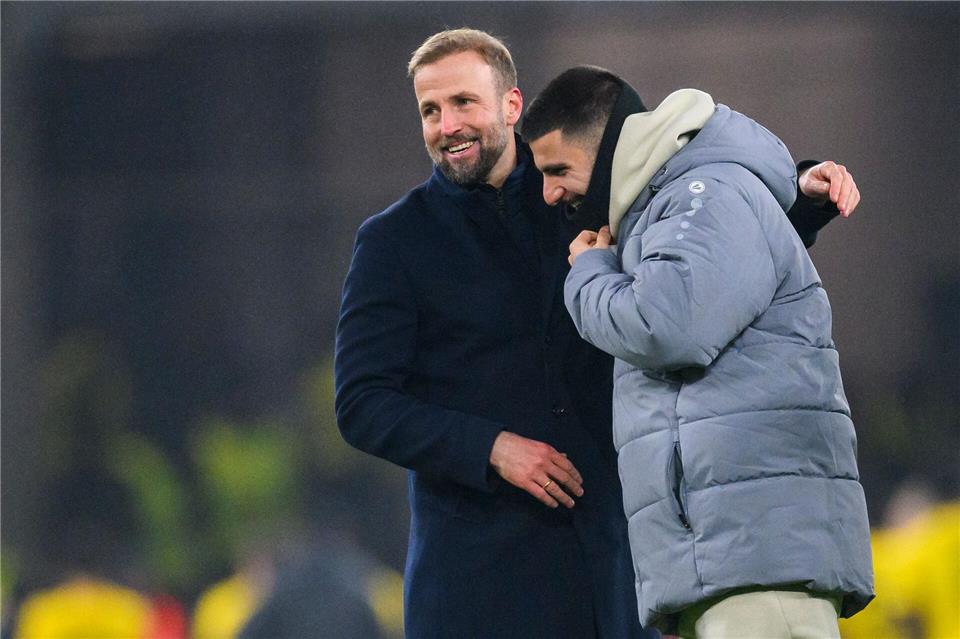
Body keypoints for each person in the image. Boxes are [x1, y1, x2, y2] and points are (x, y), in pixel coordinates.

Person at [334, 29, 859, 638]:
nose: (447, 125)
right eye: (430, 110)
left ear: (511, 105)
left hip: (616, 560)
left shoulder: (585, 192)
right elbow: (362, 403)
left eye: (463, 102)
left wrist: (799, 196)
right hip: (480, 577)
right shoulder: (394, 242)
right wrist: (490, 448)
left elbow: (696, 225)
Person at [522, 66, 874, 638]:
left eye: (558, 170)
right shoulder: (672, 203)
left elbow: (666, 329)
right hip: (730, 560)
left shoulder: (704, 194)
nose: (550, 193)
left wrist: (588, 275)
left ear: (609, 150)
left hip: (758, 559)